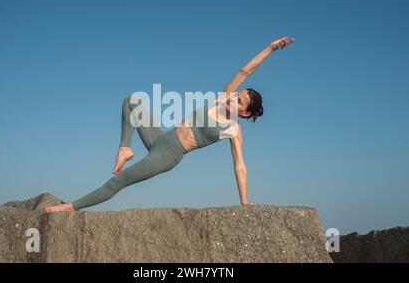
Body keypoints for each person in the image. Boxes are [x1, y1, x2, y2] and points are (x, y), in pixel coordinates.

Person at [42, 37, 294, 213]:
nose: (234, 97)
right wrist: (270, 48)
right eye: (236, 93)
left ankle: (69, 207)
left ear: (245, 112)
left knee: (117, 183)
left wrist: (245, 200)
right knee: (132, 102)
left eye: (239, 101)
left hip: (169, 155)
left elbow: (239, 165)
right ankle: (124, 149)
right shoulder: (222, 97)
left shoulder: (234, 130)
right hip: (161, 138)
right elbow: (245, 70)